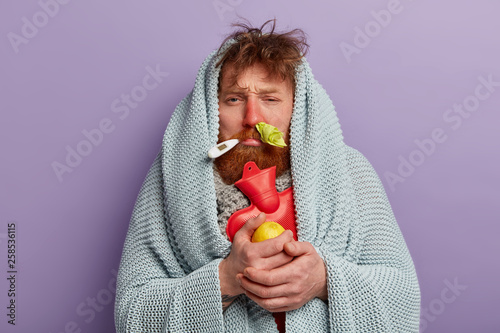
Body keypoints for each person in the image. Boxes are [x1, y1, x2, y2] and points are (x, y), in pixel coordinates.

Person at [114, 20, 421, 332]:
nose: (252, 118)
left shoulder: (349, 172)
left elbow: (403, 299)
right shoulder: (173, 177)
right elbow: (132, 315)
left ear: (298, 109)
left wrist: (323, 281)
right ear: (211, 108)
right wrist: (225, 279)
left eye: (270, 99)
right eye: (234, 98)